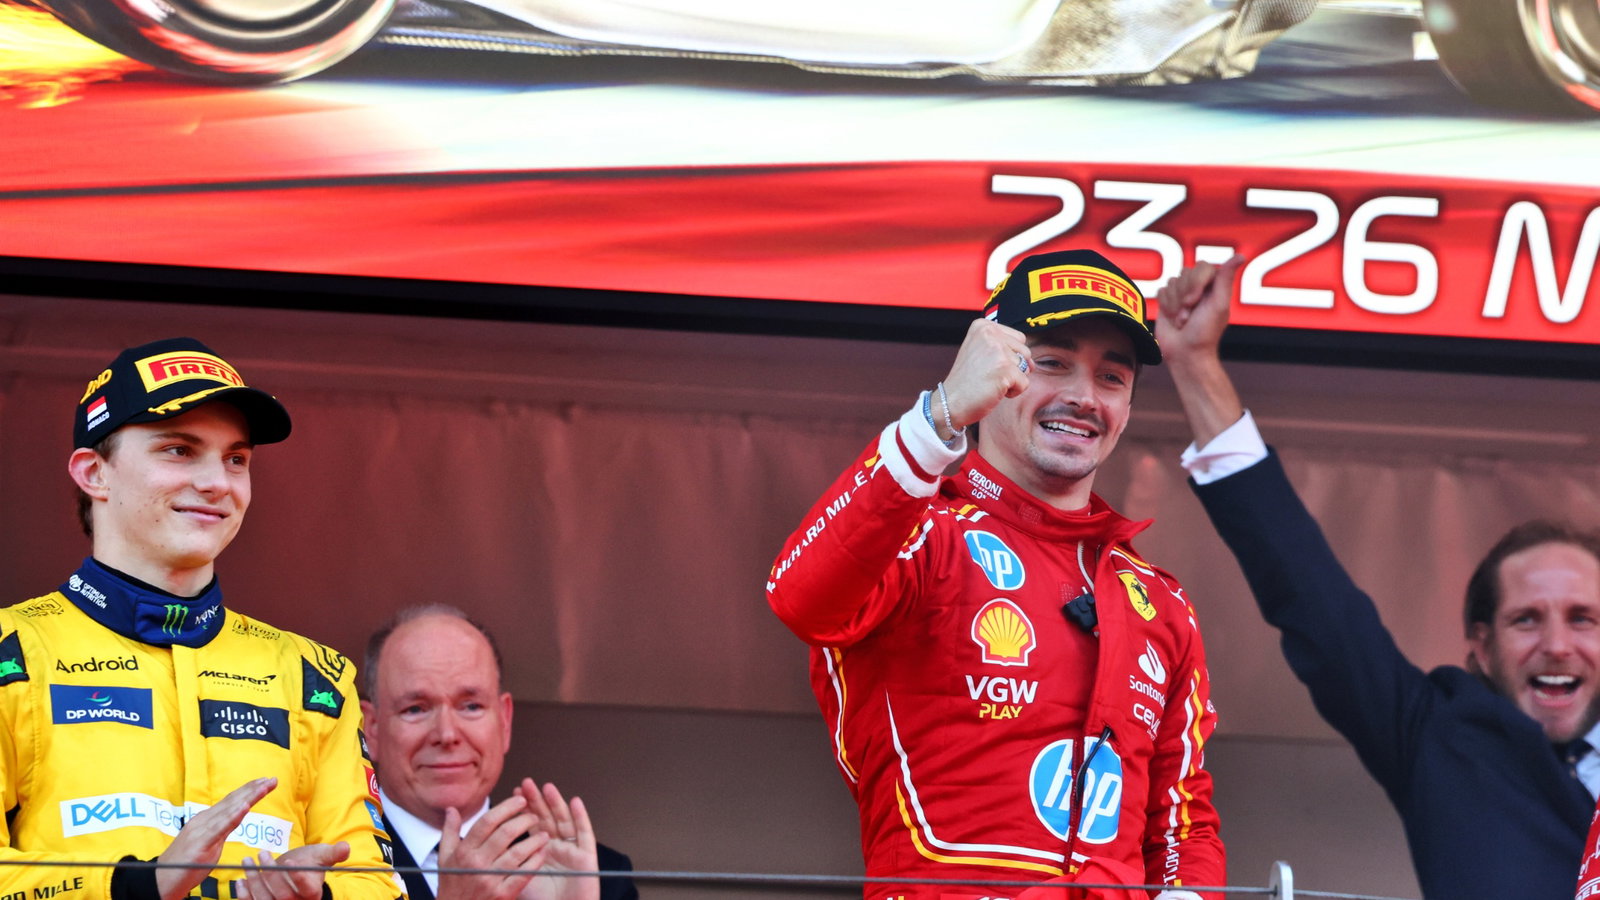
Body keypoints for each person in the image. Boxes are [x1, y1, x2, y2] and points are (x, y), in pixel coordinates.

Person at [767, 250, 1225, 900]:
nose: (1083, 397)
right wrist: (941, 414)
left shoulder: (1160, 601)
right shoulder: (917, 529)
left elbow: (1183, 822)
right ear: (991, 366)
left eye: (1112, 377)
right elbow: (799, 597)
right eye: (1051, 362)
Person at [1157, 258, 1600, 900]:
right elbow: (1315, 602)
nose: (1557, 644)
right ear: (1479, 644)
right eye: (1525, 619)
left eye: (1583, 617)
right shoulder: (1440, 735)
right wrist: (1197, 366)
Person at [0, 337, 402, 900]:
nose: (218, 483)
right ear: (95, 473)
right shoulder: (13, 650)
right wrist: (144, 884)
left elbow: (378, 886)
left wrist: (319, 896)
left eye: (236, 459)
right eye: (179, 450)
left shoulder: (315, 675)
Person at [360, 605, 638, 900]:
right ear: (372, 729)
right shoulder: (330, 869)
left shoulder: (596, 875)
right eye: (415, 709)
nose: (447, 735)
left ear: (504, 722)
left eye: (471, 706)